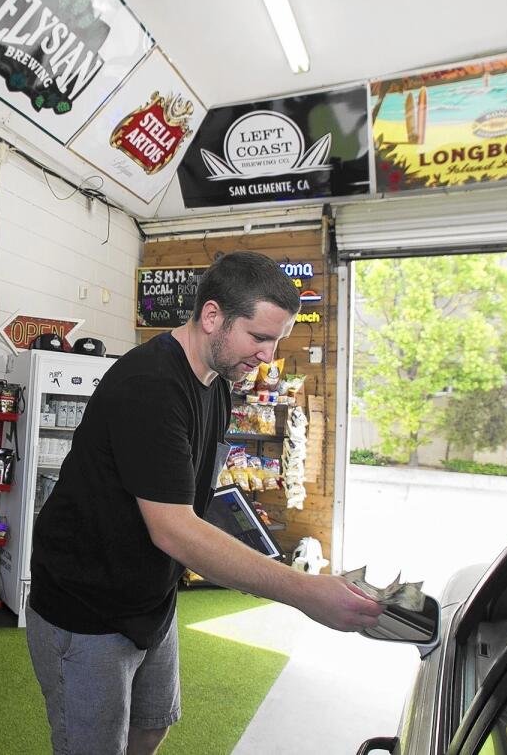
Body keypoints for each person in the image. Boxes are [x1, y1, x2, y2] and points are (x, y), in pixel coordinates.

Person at [26, 251, 383, 755]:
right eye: (259, 337)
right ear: (212, 316)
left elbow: (191, 502)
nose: (268, 356)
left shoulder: (216, 383)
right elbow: (174, 529)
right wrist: (303, 591)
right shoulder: (149, 386)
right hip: (88, 608)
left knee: (151, 724)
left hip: (150, 601)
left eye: (276, 341)